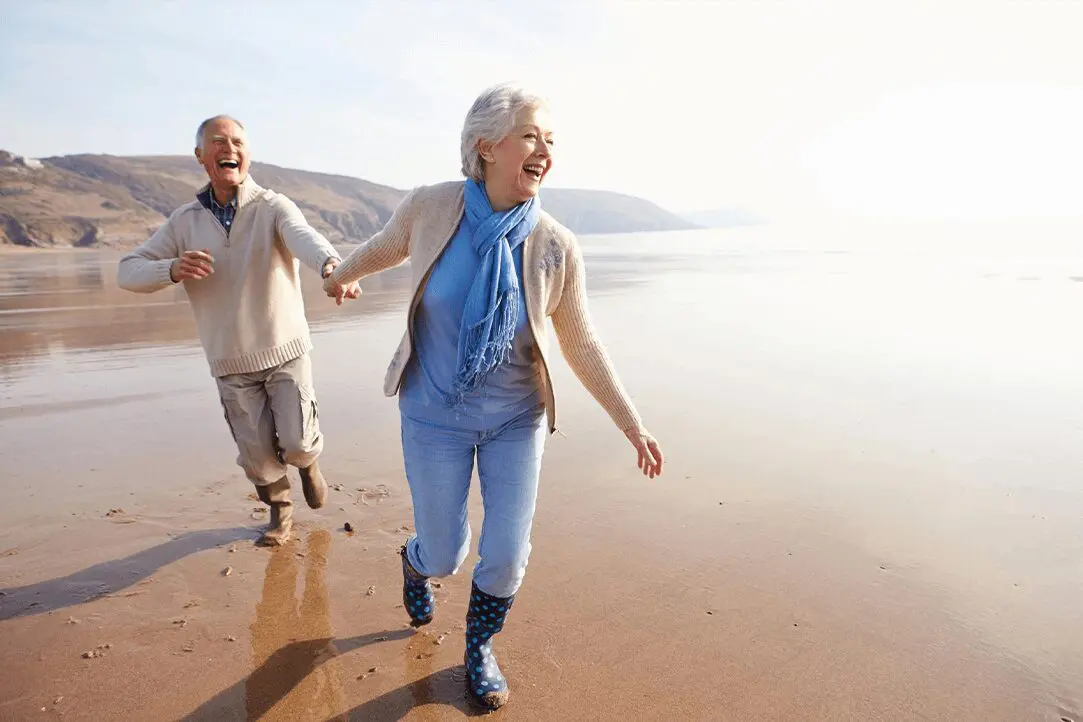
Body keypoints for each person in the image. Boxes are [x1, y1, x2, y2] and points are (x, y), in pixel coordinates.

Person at [324, 83, 664, 710]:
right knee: (445, 552)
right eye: (532, 136)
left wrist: (632, 424)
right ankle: (413, 561)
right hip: (432, 414)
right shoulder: (431, 208)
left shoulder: (555, 245)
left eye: (551, 141)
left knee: (506, 556)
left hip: (515, 418)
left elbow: (581, 343)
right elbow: (384, 247)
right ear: (486, 145)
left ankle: (479, 648)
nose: (545, 152)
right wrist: (339, 275)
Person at [116, 115, 360, 546]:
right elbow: (127, 272)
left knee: (298, 441)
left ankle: (308, 464)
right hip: (229, 360)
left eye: (238, 141)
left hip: (285, 348)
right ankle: (281, 513)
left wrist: (331, 265)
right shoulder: (184, 221)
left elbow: (304, 236)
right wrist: (170, 268)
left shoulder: (272, 206)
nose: (229, 148)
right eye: (218, 142)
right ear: (200, 156)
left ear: (247, 152)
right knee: (258, 457)